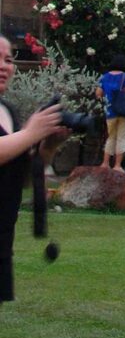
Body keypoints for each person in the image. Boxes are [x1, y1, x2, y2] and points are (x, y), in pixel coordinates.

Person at [0, 35, 64, 302]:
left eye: (8, 59)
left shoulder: (7, 111)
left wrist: (46, 147)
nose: (5, 66)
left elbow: (18, 178)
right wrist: (30, 134)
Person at [95, 55, 125, 173]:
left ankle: (105, 163)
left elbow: (98, 94)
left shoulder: (104, 77)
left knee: (111, 137)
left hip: (110, 112)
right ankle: (117, 165)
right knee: (122, 138)